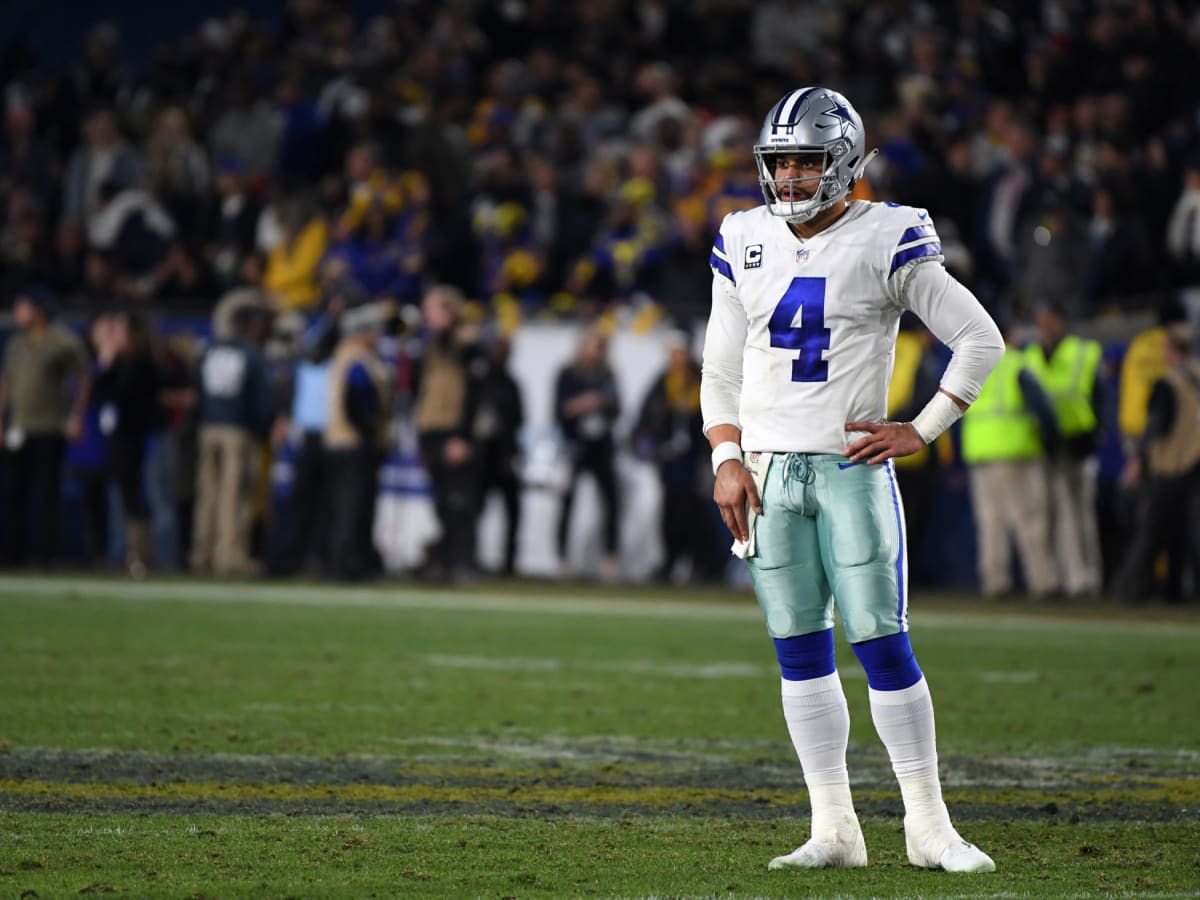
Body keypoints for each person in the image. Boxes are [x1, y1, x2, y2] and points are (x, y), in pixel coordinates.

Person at [700, 87, 1003, 874]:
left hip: (851, 468)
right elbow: (719, 369)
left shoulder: (890, 233)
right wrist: (725, 459)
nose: (792, 177)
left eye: (806, 160)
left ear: (844, 162)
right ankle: (834, 827)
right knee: (798, 650)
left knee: (881, 641)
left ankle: (928, 825)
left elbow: (978, 339)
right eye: (781, 161)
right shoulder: (743, 235)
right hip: (768, 471)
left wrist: (922, 427)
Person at [961, 315, 1061, 598]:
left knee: (991, 522)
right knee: (1030, 519)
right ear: (1011, 335)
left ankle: (995, 582)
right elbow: (1042, 408)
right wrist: (1051, 443)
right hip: (1016, 453)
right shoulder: (1016, 363)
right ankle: (1043, 582)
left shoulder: (970, 364)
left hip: (980, 454)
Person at [0, 286, 91, 566]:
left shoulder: (62, 341)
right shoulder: (16, 343)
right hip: (19, 427)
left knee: (47, 494)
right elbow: (7, 384)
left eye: (23, 306)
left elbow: (84, 378)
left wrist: (75, 416)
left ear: (38, 310)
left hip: (50, 427)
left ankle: (45, 556)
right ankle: (12, 555)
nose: (18, 313)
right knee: (13, 492)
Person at [1024, 302, 1109, 598]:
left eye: (1050, 319)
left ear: (1060, 321)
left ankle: (1090, 578)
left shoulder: (1082, 351)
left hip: (1079, 442)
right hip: (1047, 446)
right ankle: (1073, 579)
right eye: (1041, 320)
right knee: (1061, 516)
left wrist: (1097, 435)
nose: (1045, 326)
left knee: (1082, 515)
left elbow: (1101, 396)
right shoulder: (1031, 355)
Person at [1112, 324, 1200, 604]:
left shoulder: (1167, 383)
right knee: (1186, 533)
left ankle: (1131, 591)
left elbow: (1156, 427)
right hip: (1196, 466)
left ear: (1169, 350)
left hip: (1170, 467)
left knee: (1153, 532)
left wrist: (1138, 461)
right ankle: (1177, 590)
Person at [554, 326, 621, 579]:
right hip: (576, 444)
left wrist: (603, 403)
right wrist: (584, 403)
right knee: (567, 500)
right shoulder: (569, 374)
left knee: (611, 501)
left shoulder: (608, 375)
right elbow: (560, 410)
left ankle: (610, 559)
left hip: (601, 444)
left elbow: (617, 408)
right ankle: (562, 559)